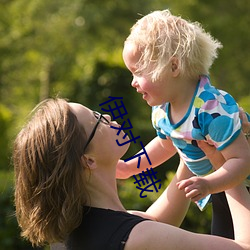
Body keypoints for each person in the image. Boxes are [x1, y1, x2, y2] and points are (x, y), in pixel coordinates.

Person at [13, 98, 250, 250]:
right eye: (97, 120)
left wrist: (190, 137)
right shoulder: (138, 238)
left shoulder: (73, 233)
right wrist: (226, 166)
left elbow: (157, 221)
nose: (107, 116)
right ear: (88, 160)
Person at [119, 9, 250, 239]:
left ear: (173, 67)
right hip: (220, 189)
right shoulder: (162, 110)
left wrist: (209, 184)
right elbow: (166, 145)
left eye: (138, 72)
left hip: (239, 186)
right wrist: (130, 167)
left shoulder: (210, 109)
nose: (133, 82)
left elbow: (242, 160)